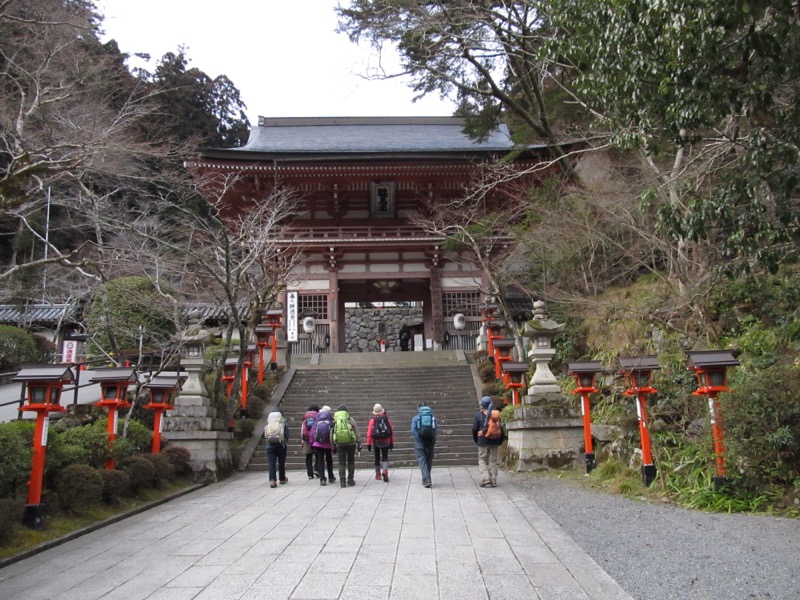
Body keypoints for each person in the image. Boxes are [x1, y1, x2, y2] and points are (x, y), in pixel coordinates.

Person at [472, 396, 504, 487]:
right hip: (495, 440)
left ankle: (486, 478)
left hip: (483, 440)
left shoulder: (479, 415)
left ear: (482, 405)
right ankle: (493, 480)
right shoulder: (496, 415)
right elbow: (501, 429)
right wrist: (500, 440)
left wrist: (476, 439)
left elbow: (474, 429)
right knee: (493, 460)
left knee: (482, 459)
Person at [332, 404, 361, 488]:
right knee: (351, 460)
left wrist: (333, 445)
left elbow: (332, 433)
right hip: (351, 443)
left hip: (340, 444)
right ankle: (350, 480)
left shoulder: (335, 421)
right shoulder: (350, 419)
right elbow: (356, 431)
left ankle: (342, 481)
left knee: (341, 463)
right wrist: (359, 442)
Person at [366, 403, 394, 482]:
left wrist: (368, 443)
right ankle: (385, 471)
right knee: (385, 457)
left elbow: (369, 432)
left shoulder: (373, 420)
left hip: (376, 441)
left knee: (376, 457)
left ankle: (378, 475)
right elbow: (391, 431)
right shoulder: (386, 419)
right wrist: (391, 442)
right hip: (385, 441)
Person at [411, 402, 437, 488]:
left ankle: (426, 478)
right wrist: (432, 438)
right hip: (430, 441)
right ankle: (427, 477)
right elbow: (435, 429)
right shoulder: (432, 418)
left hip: (419, 442)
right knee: (429, 459)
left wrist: (419, 438)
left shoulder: (416, 418)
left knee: (421, 459)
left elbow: (413, 430)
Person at [311, 405, 336, 486]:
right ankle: (331, 476)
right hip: (328, 443)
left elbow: (313, 431)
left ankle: (322, 478)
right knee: (329, 459)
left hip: (318, 443)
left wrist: (312, 442)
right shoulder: (330, 419)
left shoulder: (317, 419)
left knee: (320, 460)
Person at [265, 408, 289, 488]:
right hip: (281, 445)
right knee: (281, 462)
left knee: (272, 463)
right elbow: (287, 433)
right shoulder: (282, 420)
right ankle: (282, 478)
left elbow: (266, 434)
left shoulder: (269, 421)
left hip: (270, 445)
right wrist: (285, 440)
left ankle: (272, 480)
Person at [300, 403, 320, 479]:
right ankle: (317, 470)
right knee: (318, 455)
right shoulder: (318, 415)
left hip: (306, 439)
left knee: (308, 457)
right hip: (315, 438)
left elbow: (302, 428)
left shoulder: (305, 416)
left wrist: (302, 440)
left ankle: (310, 474)